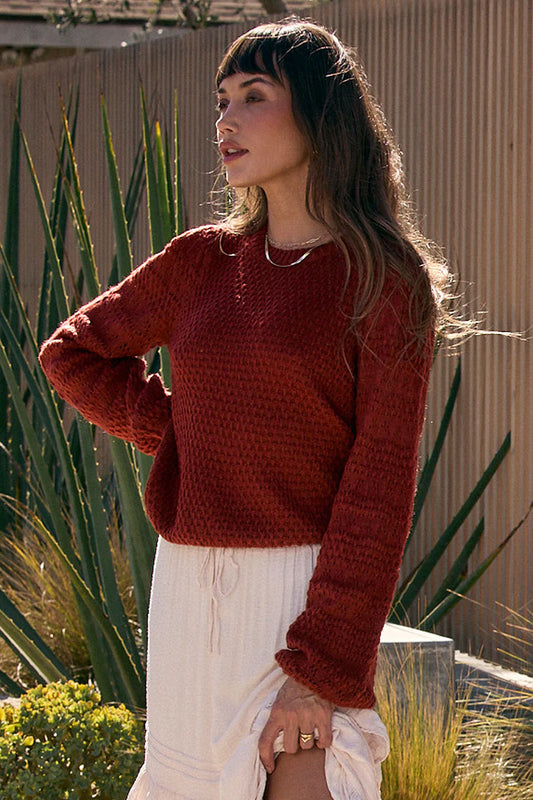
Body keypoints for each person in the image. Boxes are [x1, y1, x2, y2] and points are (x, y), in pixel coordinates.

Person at [39, 18, 451, 800]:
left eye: (252, 96)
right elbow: (72, 354)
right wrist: (194, 438)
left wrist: (319, 670)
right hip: (189, 595)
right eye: (220, 100)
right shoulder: (200, 262)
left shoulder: (384, 281)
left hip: (304, 598)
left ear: (321, 116)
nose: (224, 120)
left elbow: (378, 491)